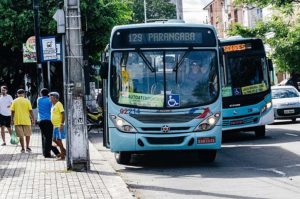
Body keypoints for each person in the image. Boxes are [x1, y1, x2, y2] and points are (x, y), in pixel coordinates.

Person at [37, 88, 60, 158]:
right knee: (49, 138)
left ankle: (46, 153)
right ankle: (54, 153)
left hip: (41, 120)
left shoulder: (39, 100)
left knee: (46, 137)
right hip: (49, 120)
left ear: (41, 93)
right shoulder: (49, 100)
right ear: (48, 94)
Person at [11, 89, 35, 153]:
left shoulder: (14, 101)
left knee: (21, 136)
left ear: (17, 94)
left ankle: (22, 149)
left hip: (17, 120)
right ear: (24, 94)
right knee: (28, 134)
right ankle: (27, 147)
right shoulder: (27, 101)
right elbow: (30, 111)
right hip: (26, 120)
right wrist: (33, 119)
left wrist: (11, 120)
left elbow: (12, 111)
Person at [49, 92, 66, 160]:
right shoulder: (53, 105)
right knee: (54, 139)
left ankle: (62, 155)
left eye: (51, 97)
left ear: (55, 98)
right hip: (55, 126)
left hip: (58, 125)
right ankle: (64, 151)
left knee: (59, 140)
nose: (49, 98)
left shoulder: (59, 104)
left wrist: (61, 124)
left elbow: (63, 114)